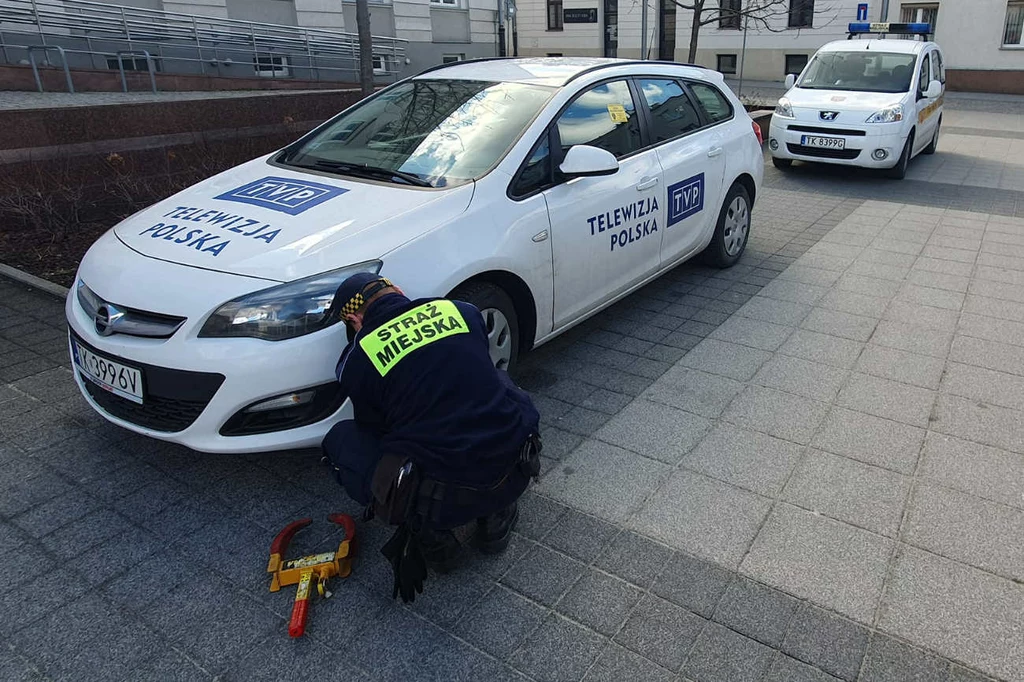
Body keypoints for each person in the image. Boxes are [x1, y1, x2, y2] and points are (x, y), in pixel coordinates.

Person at [321, 273, 542, 602]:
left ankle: (434, 538)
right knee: (498, 382)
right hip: (512, 467)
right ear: (398, 290)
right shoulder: (462, 311)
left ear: (354, 319)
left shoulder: (359, 358)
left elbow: (375, 430)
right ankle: (496, 516)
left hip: (442, 499)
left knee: (341, 439)